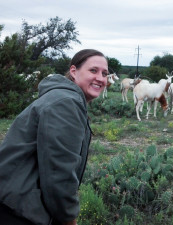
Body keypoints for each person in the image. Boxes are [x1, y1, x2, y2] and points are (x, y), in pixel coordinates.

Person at [0, 49, 108, 225]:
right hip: (17, 210)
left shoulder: (63, 97)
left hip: (14, 200)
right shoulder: (65, 103)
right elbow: (59, 171)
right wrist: (68, 218)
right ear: (74, 71)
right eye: (93, 70)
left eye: (105, 73)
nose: (101, 78)